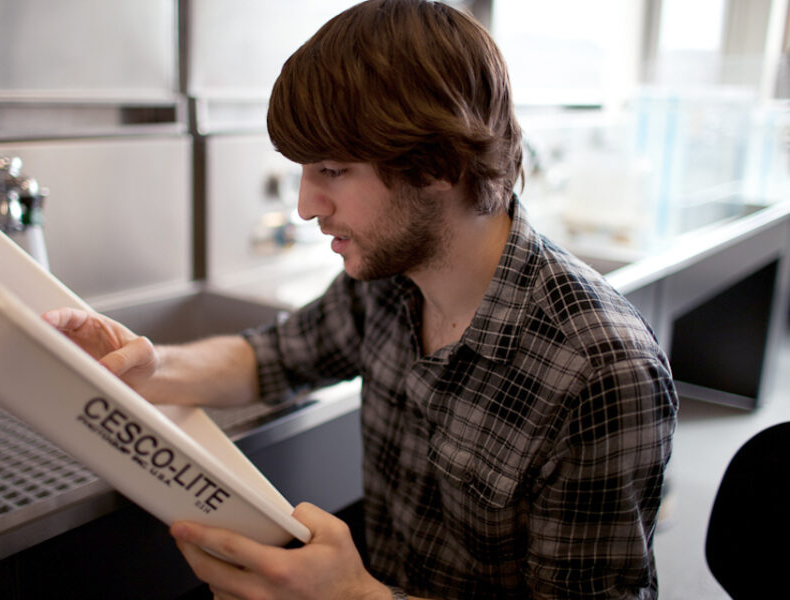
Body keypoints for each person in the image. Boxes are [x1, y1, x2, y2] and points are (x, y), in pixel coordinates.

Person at [44, 1, 678, 598]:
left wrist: (356, 594)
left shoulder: (602, 373)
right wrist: (153, 367)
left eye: (332, 171)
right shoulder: (387, 281)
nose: (305, 206)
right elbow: (275, 357)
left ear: (436, 164)